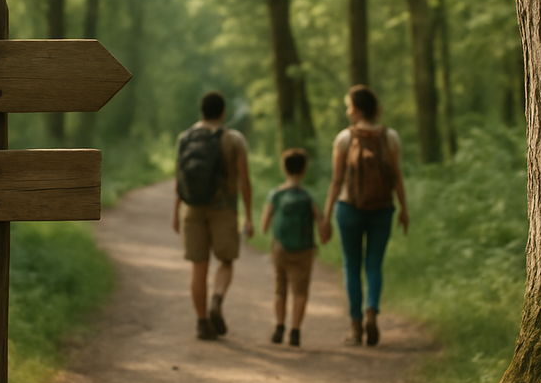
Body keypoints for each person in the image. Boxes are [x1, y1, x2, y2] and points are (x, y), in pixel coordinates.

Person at [320, 85, 409, 346]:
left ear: (357, 110)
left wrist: (326, 215)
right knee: (373, 265)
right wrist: (404, 208)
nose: (348, 111)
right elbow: (396, 177)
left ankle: (356, 326)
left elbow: (336, 181)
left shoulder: (344, 138)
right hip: (382, 209)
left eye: (349, 106)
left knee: (351, 266)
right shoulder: (390, 137)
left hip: (349, 208)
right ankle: (371, 310)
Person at [172, 91, 253, 340]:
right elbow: (244, 181)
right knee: (226, 261)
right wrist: (248, 216)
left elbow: (180, 178)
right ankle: (216, 299)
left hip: (192, 208)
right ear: (223, 112)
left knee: (199, 267)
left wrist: (176, 211)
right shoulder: (233, 139)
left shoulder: (185, 137)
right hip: (223, 208)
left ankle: (201, 322)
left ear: (202, 111)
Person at [261, 149, 324, 347]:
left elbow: (264, 225)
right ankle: (295, 331)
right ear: (304, 169)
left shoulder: (276, 195)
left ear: (284, 168)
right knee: (300, 291)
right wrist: (323, 236)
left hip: (280, 248)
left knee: (280, 289)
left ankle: (279, 327)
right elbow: (320, 221)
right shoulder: (307, 196)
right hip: (304, 249)